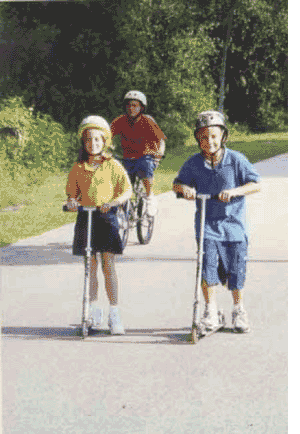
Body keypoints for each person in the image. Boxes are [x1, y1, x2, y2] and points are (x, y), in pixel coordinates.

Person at [173, 110, 261, 333]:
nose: (208, 141)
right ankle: (211, 311)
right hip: (207, 225)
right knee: (207, 267)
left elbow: (255, 184)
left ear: (222, 136)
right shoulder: (193, 163)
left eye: (213, 136)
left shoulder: (236, 160)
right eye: (203, 137)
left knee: (235, 270)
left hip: (233, 226)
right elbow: (177, 184)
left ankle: (238, 309)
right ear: (197, 139)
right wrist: (185, 189)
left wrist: (233, 192)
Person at [66, 115, 132, 335]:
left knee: (107, 264)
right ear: (83, 143)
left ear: (105, 141)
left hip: (106, 217)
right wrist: (72, 203)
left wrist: (114, 202)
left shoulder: (112, 165)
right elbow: (71, 195)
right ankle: (93, 312)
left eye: (97, 140)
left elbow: (127, 190)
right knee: (90, 265)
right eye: (88, 140)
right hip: (86, 217)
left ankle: (115, 314)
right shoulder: (78, 167)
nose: (93, 144)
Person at [110, 90, 167, 216]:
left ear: (141, 107)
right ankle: (123, 208)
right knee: (118, 178)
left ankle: (149, 196)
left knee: (144, 165)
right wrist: (107, 147)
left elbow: (161, 140)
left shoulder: (147, 121)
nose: (131, 108)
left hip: (146, 156)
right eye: (129, 105)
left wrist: (159, 155)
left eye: (135, 105)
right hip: (127, 158)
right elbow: (107, 136)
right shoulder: (120, 121)